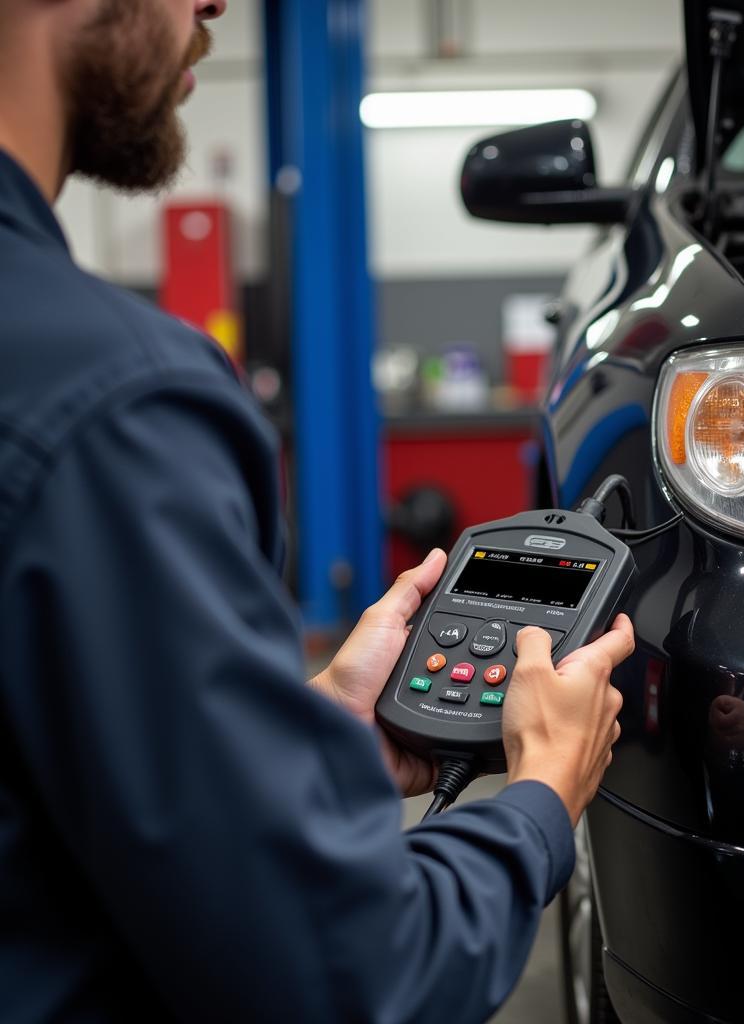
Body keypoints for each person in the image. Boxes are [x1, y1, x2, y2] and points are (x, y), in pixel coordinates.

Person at [0, 2, 634, 1021]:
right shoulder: (119, 398)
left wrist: (303, 731)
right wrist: (540, 800)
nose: (213, 4)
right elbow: (351, 974)